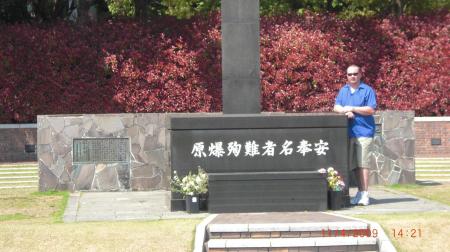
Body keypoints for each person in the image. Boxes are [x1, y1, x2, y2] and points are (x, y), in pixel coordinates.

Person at [334, 65, 376, 206]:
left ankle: (365, 194)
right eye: (349, 74)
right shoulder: (344, 90)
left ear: (360, 75)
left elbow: (370, 109)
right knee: (355, 166)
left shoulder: (367, 90)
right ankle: (360, 191)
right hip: (349, 132)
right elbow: (336, 106)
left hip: (364, 132)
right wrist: (344, 111)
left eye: (355, 74)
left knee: (363, 164)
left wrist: (353, 108)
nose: (352, 76)